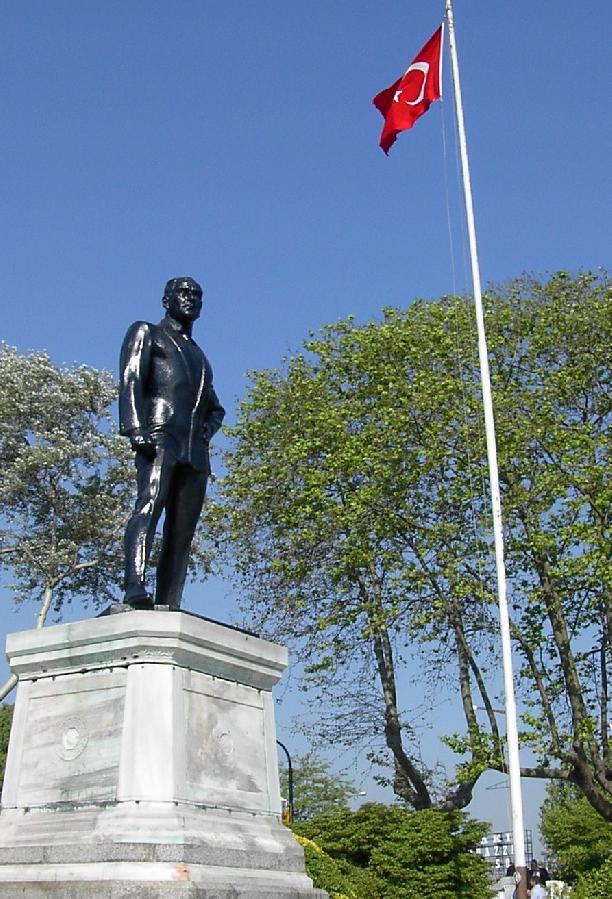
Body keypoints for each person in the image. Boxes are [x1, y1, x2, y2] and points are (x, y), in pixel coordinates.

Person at [119, 276, 225, 609]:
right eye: (184, 292)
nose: (191, 298)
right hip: (160, 436)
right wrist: (135, 427)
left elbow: (216, 408)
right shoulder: (147, 332)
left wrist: (207, 431)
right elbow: (131, 378)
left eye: (197, 295)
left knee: (182, 532)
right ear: (167, 300)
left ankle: (170, 599)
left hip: (194, 451)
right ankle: (134, 585)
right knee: (149, 507)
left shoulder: (201, 357)